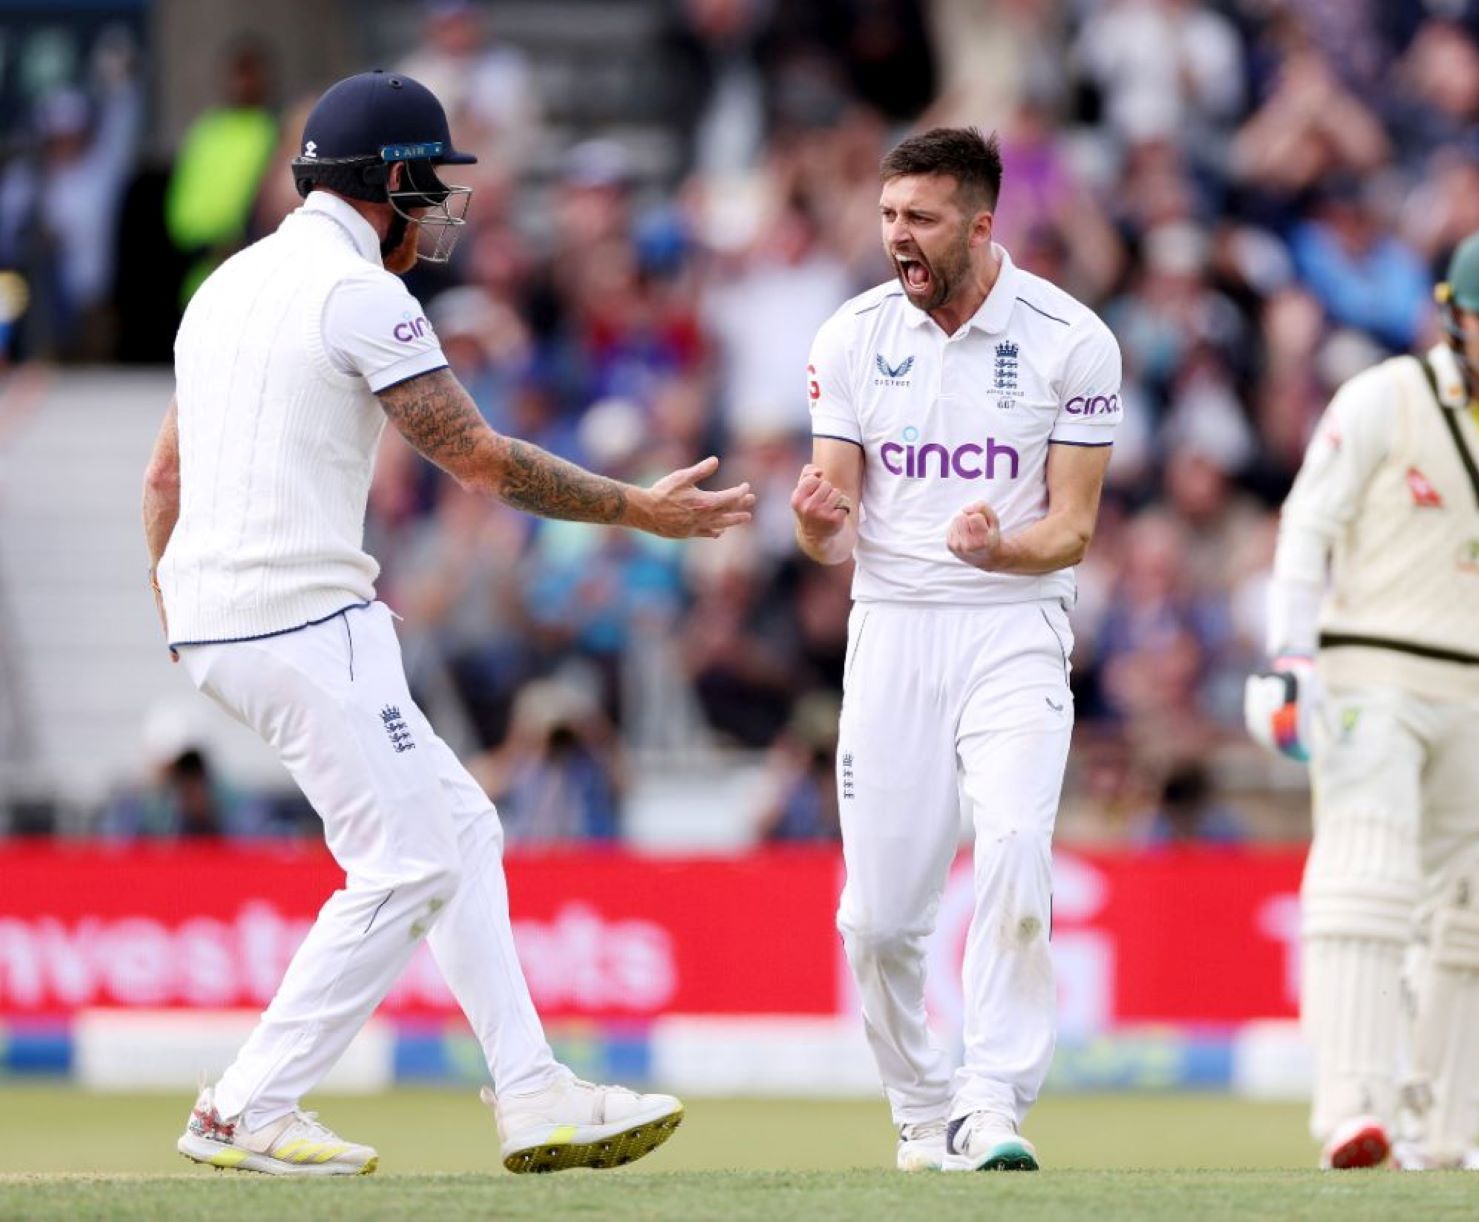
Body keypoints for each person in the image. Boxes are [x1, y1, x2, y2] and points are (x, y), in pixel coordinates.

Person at [143, 70, 753, 1177]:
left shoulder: (225, 287)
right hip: (304, 619)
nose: (441, 207)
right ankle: (246, 1104)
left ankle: (530, 1090)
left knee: (460, 829)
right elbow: (479, 460)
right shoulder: (363, 294)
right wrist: (640, 510)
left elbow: (163, 476)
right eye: (430, 182)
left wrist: (180, 611)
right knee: (409, 861)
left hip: (225, 624)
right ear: (389, 180)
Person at [1244, 229, 1479, 1171]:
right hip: (1370, 673)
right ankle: (1352, 1111)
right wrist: (1289, 656)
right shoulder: (1383, 398)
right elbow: (1307, 524)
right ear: (1454, 316)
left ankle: (1440, 1131)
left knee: (1472, 911)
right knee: (1367, 882)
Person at [790, 127, 1121, 1173]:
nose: (898, 237)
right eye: (889, 215)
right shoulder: (849, 336)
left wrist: (998, 547)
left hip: (1013, 623)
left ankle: (992, 1100)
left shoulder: (1072, 337)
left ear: (980, 226)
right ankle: (923, 1107)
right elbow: (831, 523)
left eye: (921, 218)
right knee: (877, 924)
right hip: (890, 629)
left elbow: (1071, 529)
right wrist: (811, 520)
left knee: (1016, 846)